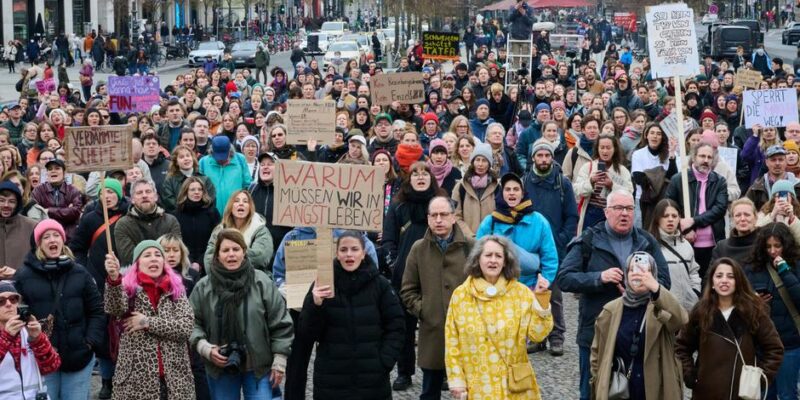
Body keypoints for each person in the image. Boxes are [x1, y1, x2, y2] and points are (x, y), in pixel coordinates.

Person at [557, 190, 670, 400]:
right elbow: (564, 278)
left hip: (637, 333)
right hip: (595, 331)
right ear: (606, 212)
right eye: (618, 208)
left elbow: (664, 281)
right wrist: (599, 278)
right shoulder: (589, 239)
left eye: (629, 208)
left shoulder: (646, 241)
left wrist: (643, 287)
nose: (624, 213)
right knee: (592, 392)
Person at [298, 231, 405, 399]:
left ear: (363, 253)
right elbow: (307, 333)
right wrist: (315, 305)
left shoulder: (380, 285)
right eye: (344, 249)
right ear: (337, 253)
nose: (349, 254)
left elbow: (396, 326)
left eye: (354, 249)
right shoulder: (322, 285)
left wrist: (384, 361)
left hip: (372, 381)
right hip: (331, 381)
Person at [445, 235, 554, 399]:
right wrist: (456, 380)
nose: (493, 260)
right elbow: (452, 341)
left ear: (505, 261)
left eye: (498, 256)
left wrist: (542, 300)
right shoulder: (461, 295)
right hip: (477, 386)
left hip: (515, 388)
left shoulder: (521, 293)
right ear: (477, 259)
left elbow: (537, 334)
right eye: (488, 255)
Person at [190, 229, 293, 399]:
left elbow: (280, 322)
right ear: (217, 255)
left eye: (236, 249)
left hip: (259, 366)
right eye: (225, 250)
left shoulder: (262, 282)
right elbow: (191, 322)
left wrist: (280, 360)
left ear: (244, 252)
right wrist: (205, 348)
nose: (231, 254)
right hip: (220, 365)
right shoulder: (203, 287)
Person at [14, 219, 105, 400]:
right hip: (41, 360)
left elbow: (97, 310)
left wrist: (90, 342)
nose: (52, 240)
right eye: (46, 237)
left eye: (56, 235)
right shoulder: (23, 276)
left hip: (79, 358)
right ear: (39, 243)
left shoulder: (80, 273)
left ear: (63, 240)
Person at [676, 258, 784, 399]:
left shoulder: (753, 311)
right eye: (719, 276)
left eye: (730, 276)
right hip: (706, 392)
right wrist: (690, 374)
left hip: (741, 393)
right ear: (712, 282)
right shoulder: (701, 311)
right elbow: (681, 346)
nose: (724, 280)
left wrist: (759, 379)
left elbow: (774, 348)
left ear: (738, 281)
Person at [400, 196, 475, 398]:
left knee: (469, 391)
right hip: (433, 332)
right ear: (428, 219)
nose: (438, 220)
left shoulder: (470, 247)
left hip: (467, 332)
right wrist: (425, 310)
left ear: (453, 217)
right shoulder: (418, 248)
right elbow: (407, 289)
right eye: (434, 215)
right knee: (430, 392)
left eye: (443, 214)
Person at [383, 161, 447, 391]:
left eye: (425, 173)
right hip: (405, 277)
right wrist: (394, 264)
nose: (420, 177)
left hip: (437, 275)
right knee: (405, 328)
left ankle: (442, 372)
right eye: (415, 174)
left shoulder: (441, 205)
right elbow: (388, 239)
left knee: (439, 327)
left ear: (431, 178)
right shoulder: (398, 206)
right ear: (409, 179)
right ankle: (404, 372)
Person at [103, 241, 195, 399]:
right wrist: (114, 278)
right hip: (135, 382)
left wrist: (147, 322)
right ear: (137, 263)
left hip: (176, 380)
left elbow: (185, 327)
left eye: (158, 255)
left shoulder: (175, 290)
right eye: (147, 255)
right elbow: (114, 308)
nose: (153, 258)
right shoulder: (126, 288)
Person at [590, 252, 687, 400]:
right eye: (632, 270)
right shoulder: (610, 310)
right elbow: (597, 353)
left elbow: (680, 320)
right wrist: (599, 381)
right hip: (620, 390)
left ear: (653, 275)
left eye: (645, 270)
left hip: (656, 388)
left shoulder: (661, 307)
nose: (637, 274)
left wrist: (656, 288)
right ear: (626, 274)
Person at [744, 223, 800, 398]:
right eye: (768, 246)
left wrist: (785, 272)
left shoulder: (796, 265)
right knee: (766, 394)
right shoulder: (753, 268)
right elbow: (742, 301)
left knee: (787, 394)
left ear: (786, 245)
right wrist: (755, 302)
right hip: (763, 343)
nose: (773, 251)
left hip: (789, 342)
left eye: (777, 246)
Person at [665, 142, 729, 280]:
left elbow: (720, 209)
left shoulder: (719, 181)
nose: (706, 160)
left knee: (710, 282)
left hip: (713, 243)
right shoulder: (678, 180)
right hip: (685, 242)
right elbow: (669, 208)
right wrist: (685, 228)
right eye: (702, 156)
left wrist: (693, 221)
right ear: (693, 157)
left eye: (709, 157)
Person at [0, 280, 61, 399]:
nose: (9, 304)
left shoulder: (27, 330)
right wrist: (5, 338)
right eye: (1, 301)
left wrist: (38, 339)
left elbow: (52, 366)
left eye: (13, 299)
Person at [648, 198, 701, 311]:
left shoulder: (686, 244)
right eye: (665, 216)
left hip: (689, 308)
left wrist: (695, 292)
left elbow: (694, 272)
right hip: (664, 309)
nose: (670, 219)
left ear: (679, 218)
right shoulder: (650, 246)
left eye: (674, 216)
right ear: (657, 218)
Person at [573, 133, 633, 233]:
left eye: (608, 148)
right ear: (597, 149)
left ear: (614, 149)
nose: (605, 151)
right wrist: (591, 181)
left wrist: (612, 185)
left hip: (613, 214)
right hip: (591, 214)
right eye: (602, 147)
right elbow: (577, 190)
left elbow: (629, 193)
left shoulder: (622, 171)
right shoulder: (588, 167)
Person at [114, 179, 181, 265]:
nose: (144, 195)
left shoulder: (171, 221)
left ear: (156, 196)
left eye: (148, 191)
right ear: (132, 199)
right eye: (139, 193)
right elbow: (129, 257)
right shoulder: (123, 224)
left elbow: (176, 252)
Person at [203, 190, 274, 272]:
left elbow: (261, 258)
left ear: (250, 207)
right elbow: (209, 260)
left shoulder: (261, 230)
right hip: (221, 277)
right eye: (236, 201)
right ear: (230, 206)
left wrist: (226, 255)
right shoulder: (219, 230)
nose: (241, 204)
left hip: (252, 276)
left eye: (245, 201)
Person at [173, 176, 221, 271]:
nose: (197, 192)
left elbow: (217, 240)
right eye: (192, 189)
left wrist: (200, 263)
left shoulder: (212, 213)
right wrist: (189, 261)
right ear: (185, 192)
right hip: (183, 263)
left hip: (209, 263)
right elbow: (177, 242)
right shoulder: (176, 215)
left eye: (200, 189)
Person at [452, 143, 500, 236]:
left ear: (489, 164)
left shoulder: (497, 187)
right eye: (477, 160)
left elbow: (501, 215)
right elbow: (456, 216)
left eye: (484, 160)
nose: (480, 164)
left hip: (490, 239)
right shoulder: (460, 186)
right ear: (473, 162)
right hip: (467, 240)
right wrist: (471, 237)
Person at [199, 135, 252, 215]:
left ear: (230, 150)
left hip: (235, 213)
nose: (221, 159)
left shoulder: (240, 159)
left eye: (224, 156)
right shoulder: (203, 162)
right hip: (211, 214)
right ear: (212, 151)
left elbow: (247, 185)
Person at [31, 159, 83, 240]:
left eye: (57, 168)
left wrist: (48, 211)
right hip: (46, 236)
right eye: (50, 169)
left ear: (64, 173)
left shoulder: (72, 190)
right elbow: (35, 214)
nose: (53, 171)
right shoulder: (38, 191)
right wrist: (67, 211)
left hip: (69, 237)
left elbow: (76, 212)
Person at [161, 145, 215, 214]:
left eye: (188, 156)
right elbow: (169, 202)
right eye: (181, 157)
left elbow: (211, 199)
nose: (186, 159)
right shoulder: (170, 181)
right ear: (176, 162)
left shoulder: (205, 179)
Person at [0, 181, 36, 279]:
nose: (6, 205)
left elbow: (40, 261)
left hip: (23, 285)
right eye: (1, 200)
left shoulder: (32, 226)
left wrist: (19, 273)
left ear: (18, 204)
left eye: (12, 201)